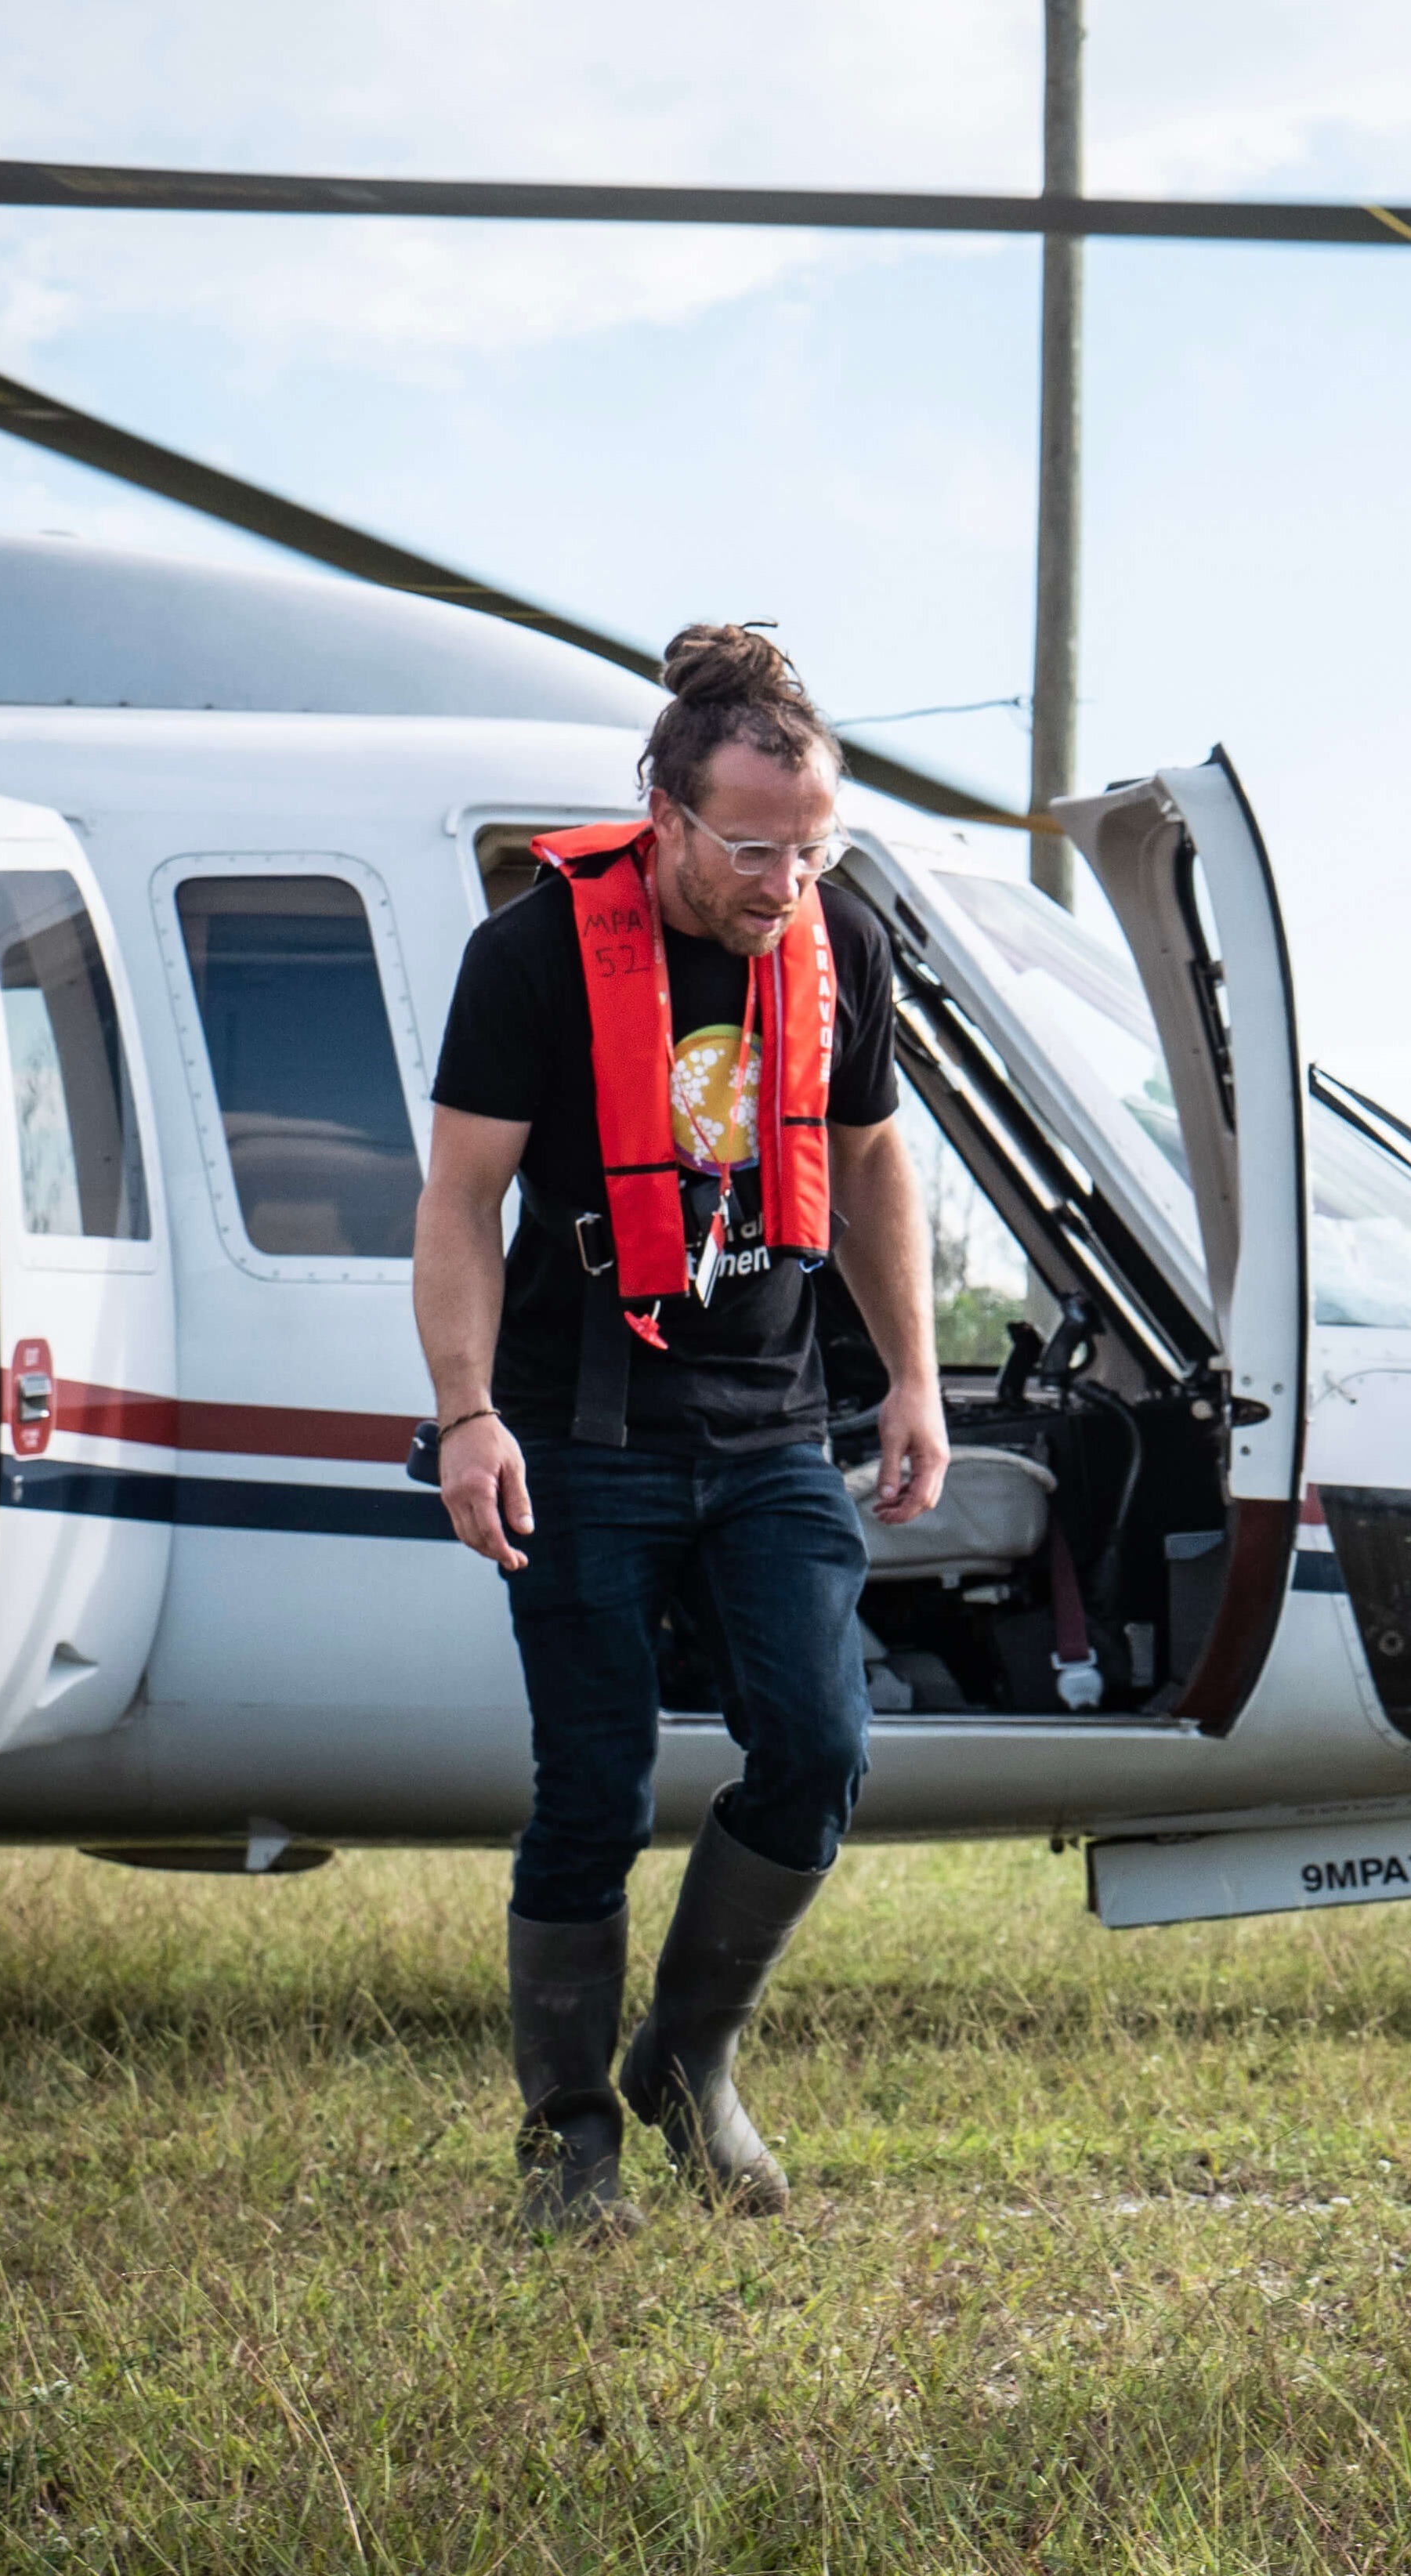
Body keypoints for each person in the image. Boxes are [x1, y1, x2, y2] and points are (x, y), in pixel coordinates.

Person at [411, 624, 950, 2238]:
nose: (787, 881)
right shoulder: (530, 953)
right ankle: (570, 2132)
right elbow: (458, 1200)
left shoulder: (838, 939)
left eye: (814, 845)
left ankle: (685, 2062)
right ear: (661, 811)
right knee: (593, 1783)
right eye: (753, 849)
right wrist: (465, 1416)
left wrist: (911, 1375)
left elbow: (866, 1166)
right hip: (583, 1427)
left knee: (819, 1747)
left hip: (774, 1421)